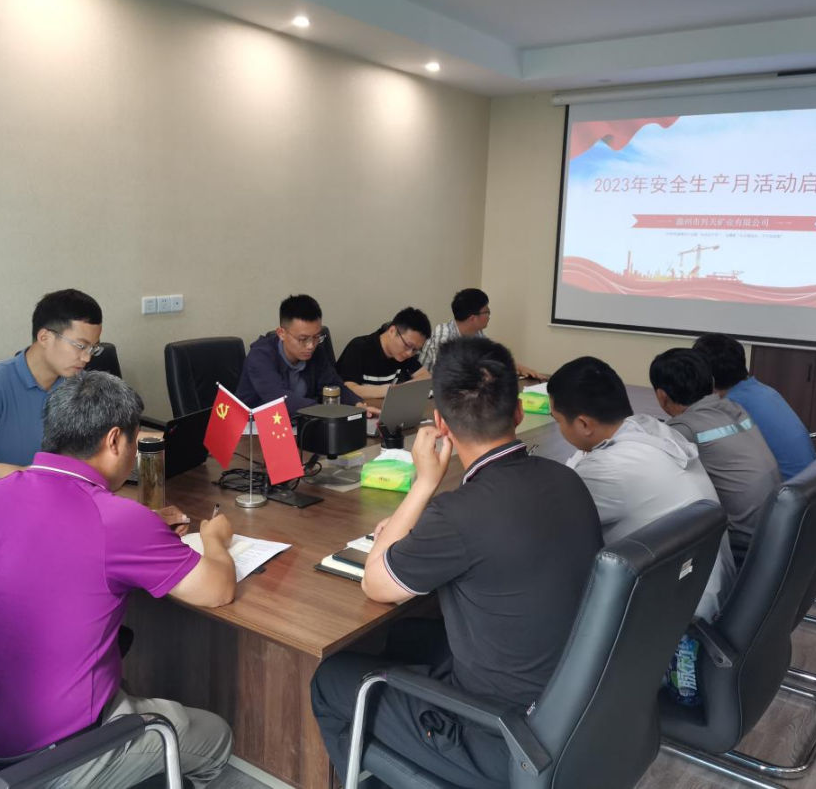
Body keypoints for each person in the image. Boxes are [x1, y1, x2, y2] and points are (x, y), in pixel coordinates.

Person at [310, 337, 602, 789]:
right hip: (570, 706)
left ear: (441, 424)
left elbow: (376, 584)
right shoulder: (567, 479)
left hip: (502, 736)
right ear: (518, 412)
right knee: (404, 635)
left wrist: (424, 483)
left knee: (330, 680)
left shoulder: (459, 514)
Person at [0, 371, 235, 789]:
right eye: (135, 440)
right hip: (46, 760)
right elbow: (217, 590)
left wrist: (142, 528)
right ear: (114, 441)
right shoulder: (117, 520)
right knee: (217, 736)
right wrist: (214, 539)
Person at [547, 356, 736, 622]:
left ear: (584, 424)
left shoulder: (609, 469)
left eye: (557, 420)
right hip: (708, 595)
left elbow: (546, 527)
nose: (559, 428)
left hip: (679, 622)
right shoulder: (655, 430)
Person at [0, 289, 104, 486]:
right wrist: (24, 474)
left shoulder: (76, 383)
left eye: (93, 348)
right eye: (80, 346)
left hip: (48, 491)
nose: (87, 358)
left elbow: (105, 435)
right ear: (45, 337)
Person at [649, 348, 781, 564]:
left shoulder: (682, 429)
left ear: (661, 396)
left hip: (742, 547)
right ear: (711, 383)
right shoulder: (734, 408)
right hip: (774, 532)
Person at [693, 333, 815, 481]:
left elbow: (704, 452)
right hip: (810, 483)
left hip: (783, 489)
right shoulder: (763, 390)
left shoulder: (731, 406)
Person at [236, 293, 375, 417]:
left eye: (316, 337)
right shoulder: (260, 356)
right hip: (255, 429)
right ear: (281, 333)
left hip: (299, 425)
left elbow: (333, 386)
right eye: (303, 339)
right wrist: (324, 411)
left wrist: (357, 405)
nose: (311, 346)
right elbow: (279, 399)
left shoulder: (316, 353)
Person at [419, 288, 547, 380]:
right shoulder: (444, 336)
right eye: (487, 312)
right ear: (473, 318)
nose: (489, 316)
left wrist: (522, 368)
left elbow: (493, 355)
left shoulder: (476, 333)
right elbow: (449, 376)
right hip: (432, 395)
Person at [336, 307, 432, 399]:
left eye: (415, 349)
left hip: (381, 407)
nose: (409, 353)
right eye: (408, 345)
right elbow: (347, 389)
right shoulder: (359, 347)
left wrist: (402, 389)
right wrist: (388, 391)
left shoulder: (405, 354)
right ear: (392, 331)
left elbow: (426, 377)